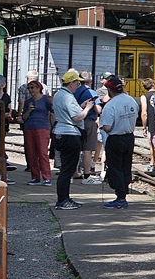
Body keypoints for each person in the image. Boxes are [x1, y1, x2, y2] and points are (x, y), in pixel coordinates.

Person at [97, 75, 138, 209]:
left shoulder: (110, 105)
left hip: (115, 138)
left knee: (115, 168)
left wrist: (102, 126)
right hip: (129, 137)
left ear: (109, 89)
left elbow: (108, 127)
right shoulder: (131, 100)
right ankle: (124, 190)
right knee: (126, 166)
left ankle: (120, 197)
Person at [50, 69, 88, 210]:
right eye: (77, 83)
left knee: (66, 168)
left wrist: (81, 107)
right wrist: (87, 108)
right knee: (68, 169)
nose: (78, 85)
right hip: (69, 134)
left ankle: (64, 198)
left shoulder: (59, 95)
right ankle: (63, 200)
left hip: (61, 132)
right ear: (71, 83)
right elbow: (77, 117)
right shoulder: (68, 97)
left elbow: (69, 112)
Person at [20, 79, 52, 185]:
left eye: (32, 88)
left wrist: (52, 127)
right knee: (31, 153)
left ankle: (47, 177)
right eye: (29, 88)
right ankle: (35, 176)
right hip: (29, 127)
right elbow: (24, 117)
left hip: (42, 127)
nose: (30, 90)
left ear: (39, 88)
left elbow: (52, 112)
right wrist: (28, 110)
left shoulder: (45, 99)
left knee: (42, 153)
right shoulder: (28, 102)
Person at [75, 72, 101, 181]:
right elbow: (98, 109)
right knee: (87, 149)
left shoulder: (74, 91)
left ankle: (74, 172)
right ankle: (86, 175)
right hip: (88, 121)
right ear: (90, 80)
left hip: (75, 121)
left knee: (75, 149)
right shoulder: (91, 92)